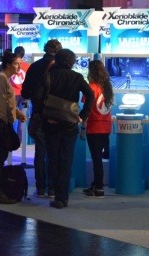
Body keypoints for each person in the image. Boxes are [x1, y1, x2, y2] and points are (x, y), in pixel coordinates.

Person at [40, 49, 94, 209]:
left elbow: (37, 97)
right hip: (70, 124)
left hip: (51, 123)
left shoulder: (48, 76)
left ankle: (54, 192)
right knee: (66, 161)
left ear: (56, 60)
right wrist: (83, 115)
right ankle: (62, 198)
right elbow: (90, 95)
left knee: (53, 160)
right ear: (72, 61)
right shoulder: (76, 77)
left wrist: (44, 115)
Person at [21, 39, 62, 198]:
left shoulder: (34, 66)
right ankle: (52, 189)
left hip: (38, 114)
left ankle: (40, 188)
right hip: (56, 115)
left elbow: (25, 92)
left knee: (40, 151)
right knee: (54, 152)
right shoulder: (60, 68)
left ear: (45, 49)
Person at [0, 50, 27, 204]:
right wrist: (6, 124)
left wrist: (17, 113)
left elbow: (7, 103)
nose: (19, 67)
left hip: (2, 121)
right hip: (0, 122)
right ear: (8, 64)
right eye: (16, 63)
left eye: (19, 63)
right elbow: (1, 105)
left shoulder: (4, 79)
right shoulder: (1, 79)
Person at [80, 60, 114, 198]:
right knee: (98, 157)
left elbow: (87, 109)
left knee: (96, 159)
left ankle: (99, 188)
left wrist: (83, 128)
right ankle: (95, 184)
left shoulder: (91, 87)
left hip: (94, 127)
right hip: (106, 126)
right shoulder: (107, 87)